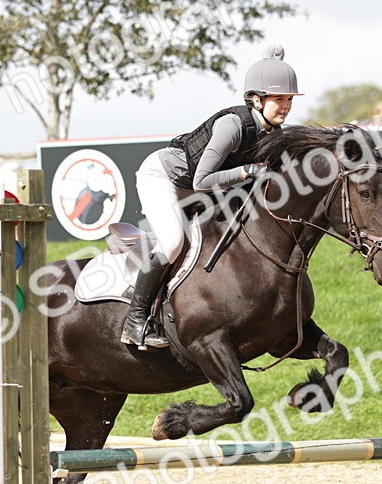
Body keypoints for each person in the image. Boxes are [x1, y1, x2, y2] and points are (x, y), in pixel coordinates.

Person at [121, 44, 303, 349]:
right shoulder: (232, 126)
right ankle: (135, 320)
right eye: (278, 99)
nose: (285, 106)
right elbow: (202, 179)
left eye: (289, 99)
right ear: (256, 100)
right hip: (166, 178)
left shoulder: (275, 135)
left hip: (202, 187)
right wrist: (246, 172)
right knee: (172, 241)